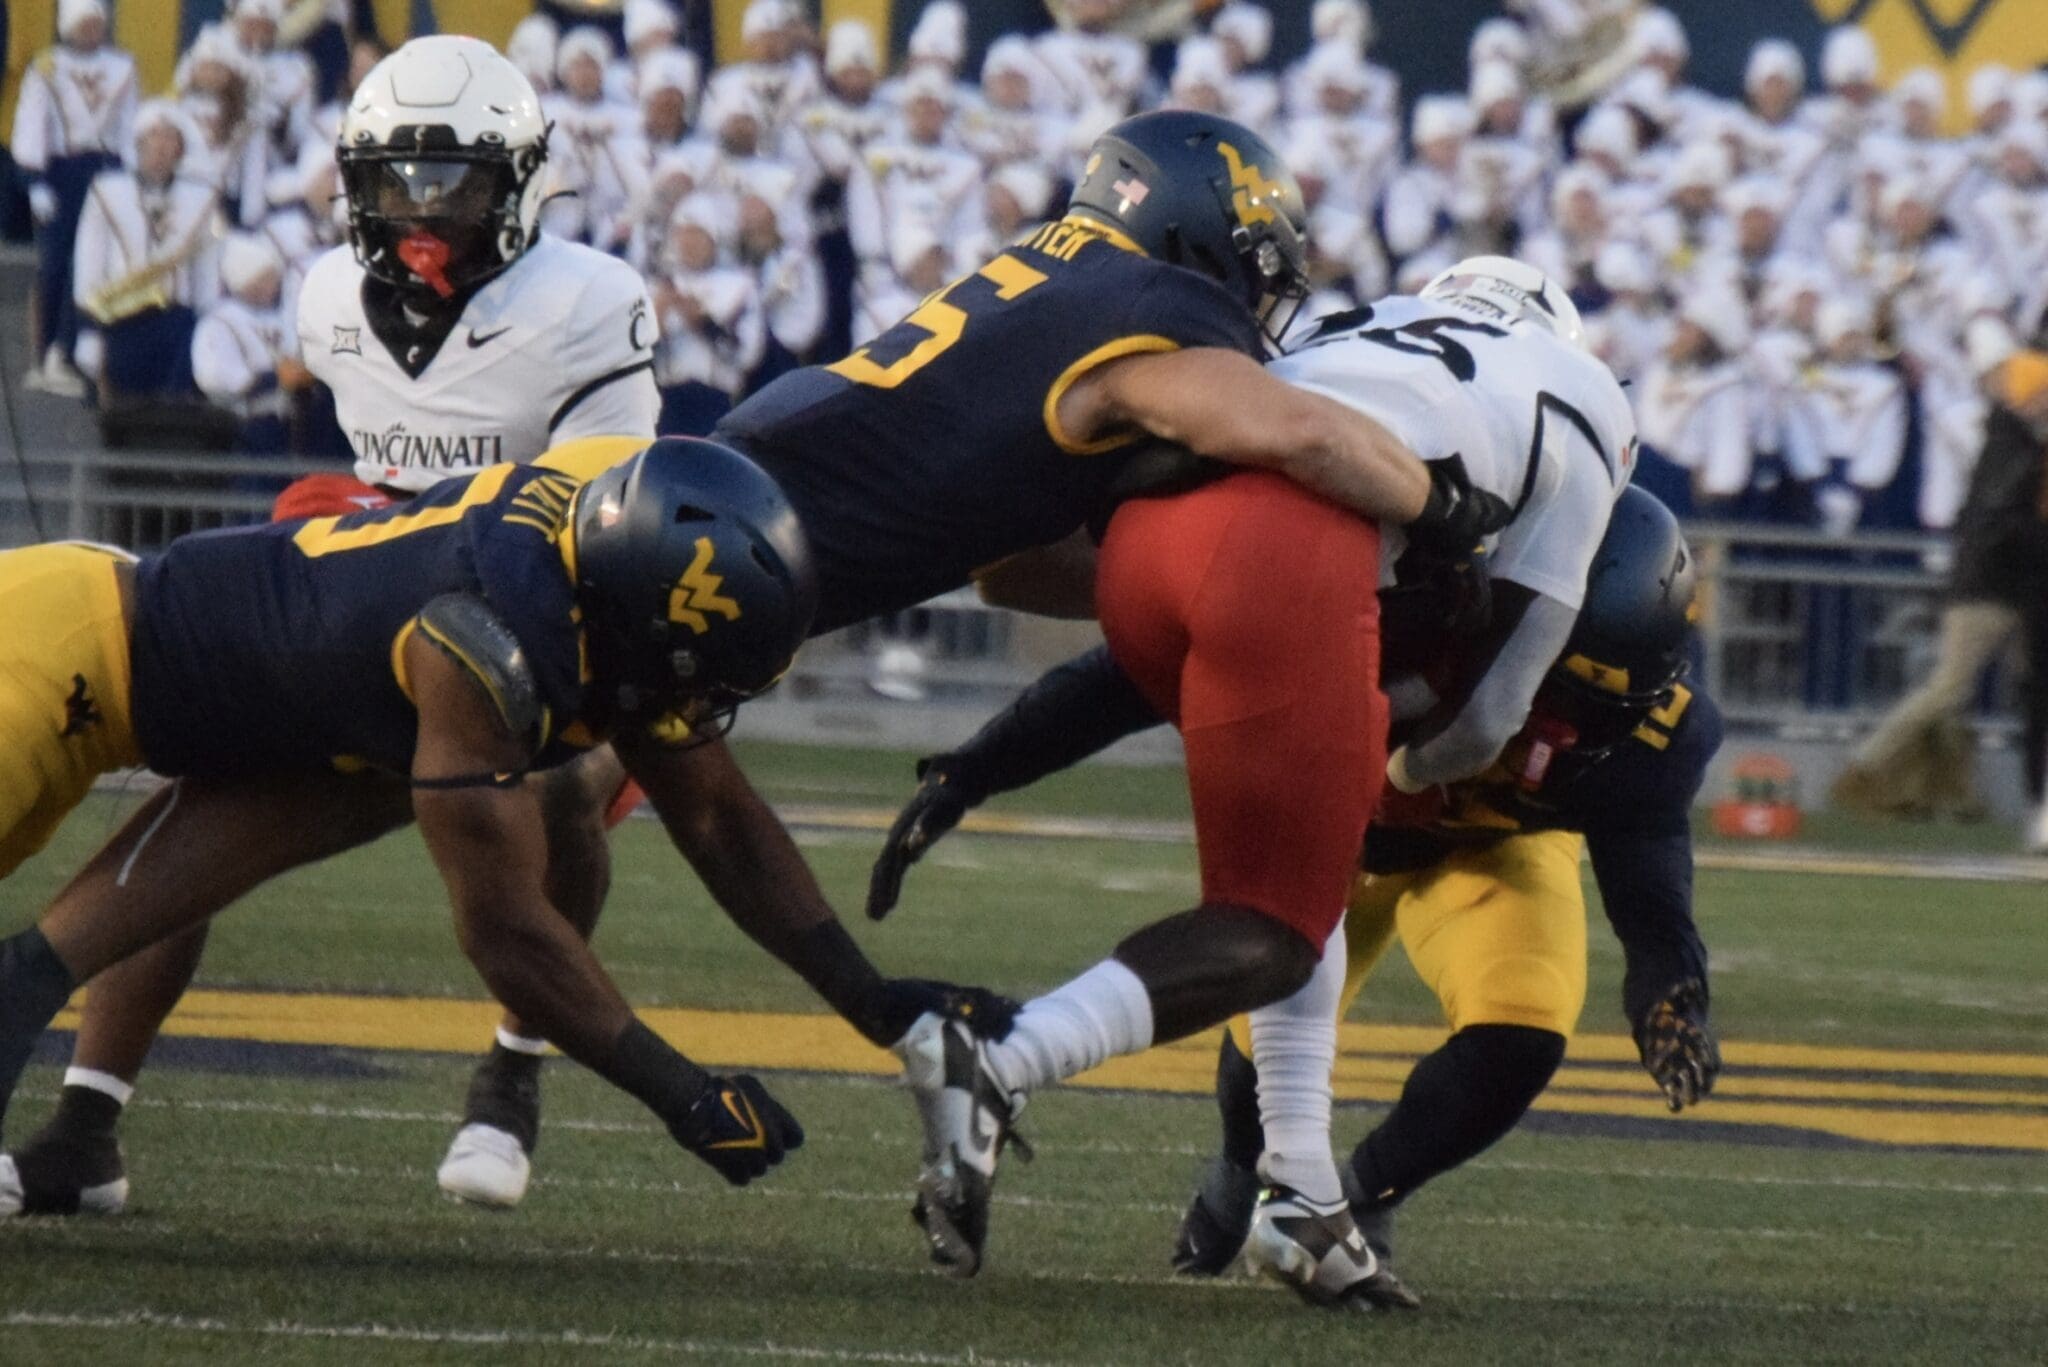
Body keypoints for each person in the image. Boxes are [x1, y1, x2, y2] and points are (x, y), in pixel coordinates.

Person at [880, 253, 1633, 1297]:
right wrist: (1403, 746)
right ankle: (1002, 1057)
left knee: (1295, 887)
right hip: (1284, 558)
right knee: (1270, 921)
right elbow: (1492, 712)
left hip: (1142, 548)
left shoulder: (1354, 323)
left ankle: (1303, 1199)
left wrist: (978, 765)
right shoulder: (1583, 395)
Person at [0, 438, 996, 1217]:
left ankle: (40, 1001)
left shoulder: (599, 535)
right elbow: (504, 929)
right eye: (703, 676)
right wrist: (678, 1090)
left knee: (46, 962)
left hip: (204, 707)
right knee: (391, 773)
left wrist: (868, 998)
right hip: (50, 662)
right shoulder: (481, 647)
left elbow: (716, 814)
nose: (701, 710)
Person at [26, 35, 663, 1218]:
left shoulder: (586, 300)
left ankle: (513, 1070)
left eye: (457, 183)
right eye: (399, 184)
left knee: (570, 792)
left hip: (528, 588)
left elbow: (593, 510)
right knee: (203, 780)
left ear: (521, 182)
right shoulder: (327, 295)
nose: (424, 213)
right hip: (368, 568)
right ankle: (87, 1120)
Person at [867, 487, 1721, 1305]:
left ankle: (1354, 1198)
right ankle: (1242, 1164)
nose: (1573, 723)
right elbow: (1132, 675)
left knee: (1524, 1027)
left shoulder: (1656, 729)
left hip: (1489, 847)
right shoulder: (1421, 611)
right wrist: (974, 768)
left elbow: (1645, 855)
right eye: (1560, 685)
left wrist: (1670, 985)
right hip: (1342, 821)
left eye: (1607, 700)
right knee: (1254, 1021)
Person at [10, 0, 138, 395]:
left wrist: (131, 175)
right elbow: (31, 122)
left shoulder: (122, 67)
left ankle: (69, 350)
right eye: (84, 23)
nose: (91, 30)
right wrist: (34, 180)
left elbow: (129, 122)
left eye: (96, 23)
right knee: (54, 265)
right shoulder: (47, 66)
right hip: (61, 172)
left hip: (105, 170)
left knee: (90, 264)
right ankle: (45, 348)